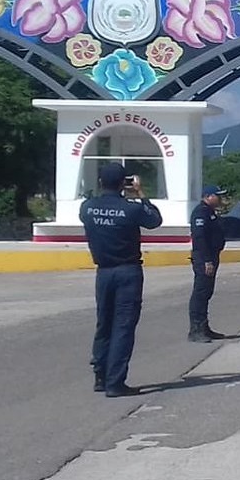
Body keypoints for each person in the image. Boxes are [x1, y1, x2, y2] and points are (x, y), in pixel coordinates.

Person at [80, 164, 163, 397]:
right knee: (123, 326)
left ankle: (100, 375)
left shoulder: (87, 208)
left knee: (104, 323)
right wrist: (141, 194)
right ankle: (115, 382)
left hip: (103, 272)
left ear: (100, 182)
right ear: (123, 184)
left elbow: (90, 214)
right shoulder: (131, 209)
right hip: (127, 272)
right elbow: (155, 220)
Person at [189, 184, 229, 343]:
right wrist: (206, 260)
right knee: (200, 293)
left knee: (206, 293)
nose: (220, 199)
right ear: (208, 196)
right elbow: (199, 238)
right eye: (217, 195)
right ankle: (195, 330)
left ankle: (204, 327)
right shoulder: (200, 212)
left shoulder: (209, 212)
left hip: (212, 256)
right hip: (203, 258)